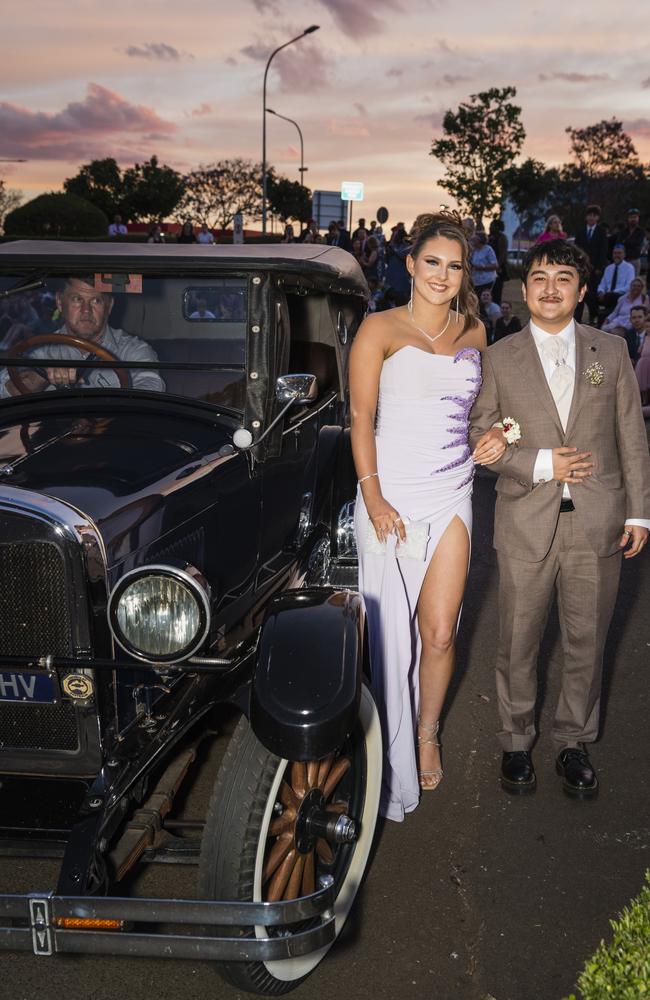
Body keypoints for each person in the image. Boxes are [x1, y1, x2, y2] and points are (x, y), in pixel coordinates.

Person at [469, 239, 650, 799]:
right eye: (540, 278)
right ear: (523, 291)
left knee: (587, 639)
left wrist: (640, 511)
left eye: (564, 277)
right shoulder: (498, 357)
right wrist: (538, 463)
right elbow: (480, 436)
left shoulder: (611, 352)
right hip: (526, 521)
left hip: (598, 520)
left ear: (582, 289)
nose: (551, 288)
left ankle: (573, 740)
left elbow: (632, 438)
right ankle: (516, 741)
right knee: (518, 639)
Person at [349, 211, 505, 821]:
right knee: (391, 638)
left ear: (467, 273)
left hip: (452, 492)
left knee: (440, 630)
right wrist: (375, 497)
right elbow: (361, 418)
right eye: (432, 262)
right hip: (389, 496)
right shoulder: (379, 328)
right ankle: (382, 747)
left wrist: (496, 437)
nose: (442, 274)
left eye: (455, 265)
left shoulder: (476, 332)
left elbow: (482, 417)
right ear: (410, 265)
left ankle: (427, 731)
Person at [0, 277, 165, 396]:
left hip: (113, 438)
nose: (86, 311)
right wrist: (41, 374)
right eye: (77, 299)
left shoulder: (134, 351)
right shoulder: (36, 351)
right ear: (59, 302)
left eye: (96, 301)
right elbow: (3, 392)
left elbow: (150, 388)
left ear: (109, 306)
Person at [574, 205, 609, 323]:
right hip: (581, 268)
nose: (591, 218)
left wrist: (599, 267)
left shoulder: (601, 232)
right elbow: (575, 248)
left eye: (594, 216)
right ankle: (577, 319)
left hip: (595, 269)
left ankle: (594, 315)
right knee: (580, 294)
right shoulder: (580, 231)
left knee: (592, 295)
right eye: (589, 215)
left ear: (598, 218)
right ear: (586, 217)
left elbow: (603, 250)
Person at [597, 244, 635, 318]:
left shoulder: (629, 268)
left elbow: (629, 286)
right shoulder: (608, 268)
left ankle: (606, 315)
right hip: (607, 296)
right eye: (615, 253)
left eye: (619, 253)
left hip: (620, 295)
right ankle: (596, 316)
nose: (617, 255)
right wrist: (600, 291)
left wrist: (613, 292)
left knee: (611, 296)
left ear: (624, 254)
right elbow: (603, 284)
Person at [470, 232, 498, 297]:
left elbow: (495, 265)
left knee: (483, 299)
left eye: (474, 238)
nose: (472, 240)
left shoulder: (488, 250)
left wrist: (481, 267)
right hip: (476, 281)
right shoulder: (473, 250)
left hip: (487, 280)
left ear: (480, 240)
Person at [488, 219, 509, 305]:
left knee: (497, 290)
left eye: (492, 226)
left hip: (498, 267)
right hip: (489, 266)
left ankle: (496, 306)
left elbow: (502, 254)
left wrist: (497, 267)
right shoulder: (489, 237)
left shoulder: (502, 238)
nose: (490, 227)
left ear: (497, 227)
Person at [622, 208, 644, 275]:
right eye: (631, 217)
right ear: (628, 219)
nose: (633, 219)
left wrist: (626, 242)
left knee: (634, 281)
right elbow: (619, 243)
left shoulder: (640, 231)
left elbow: (637, 243)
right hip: (624, 260)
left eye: (635, 217)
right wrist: (629, 242)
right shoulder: (624, 231)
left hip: (635, 260)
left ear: (638, 218)